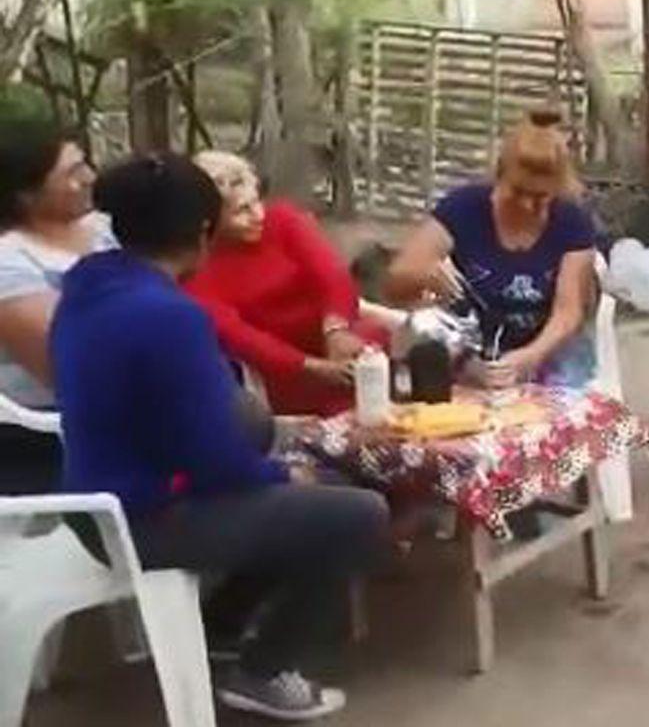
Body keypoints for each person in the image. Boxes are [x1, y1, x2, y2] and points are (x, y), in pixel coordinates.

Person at [52, 155, 388, 720]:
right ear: (204, 234)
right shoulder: (168, 315)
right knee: (355, 512)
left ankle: (220, 627)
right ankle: (264, 670)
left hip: (90, 499)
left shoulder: (87, 287)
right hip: (143, 517)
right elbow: (212, 463)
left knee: (261, 433)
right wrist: (282, 475)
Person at [385, 110, 597, 389]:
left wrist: (528, 358)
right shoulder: (464, 208)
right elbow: (395, 281)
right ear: (500, 175)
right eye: (518, 192)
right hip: (472, 348)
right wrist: (426, 275)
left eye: (539, 198)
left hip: (547, 349)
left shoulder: (572, 221)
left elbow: (568, 313)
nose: (525, 205)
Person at [185, 151, 384, 416]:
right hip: (282, 367)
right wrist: (312, 366)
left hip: (336, 335)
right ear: (208, 221)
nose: (258, 215)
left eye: (257, 202)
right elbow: (239, 337)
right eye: (241, 211)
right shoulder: (198, 266)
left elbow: (331, 274)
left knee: (373, 352)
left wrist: (335, 330)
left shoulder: (283, 220)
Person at [0, 117, 111, 495]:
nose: (90, 177)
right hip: (53, 432)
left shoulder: (106, 229)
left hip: (129, 398)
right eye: (72, 173)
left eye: (85, 165)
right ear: (25, 194)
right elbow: (65, 364)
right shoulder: (10, 262)